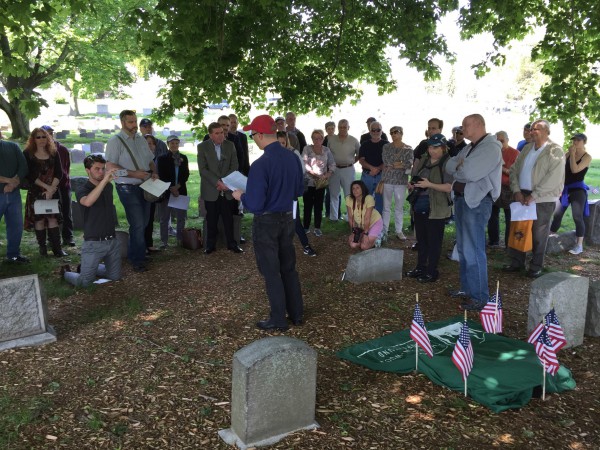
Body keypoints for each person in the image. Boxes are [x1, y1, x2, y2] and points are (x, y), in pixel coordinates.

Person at [232, 115, 304, 332]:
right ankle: (297, 314)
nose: (253, 138)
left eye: (252, 134)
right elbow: (299, 190)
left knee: (271, 271)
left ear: (261, 135)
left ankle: (278, 319)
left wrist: (240, 196)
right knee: (288, 268)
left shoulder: (261, 164)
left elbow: (255, 203)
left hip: (267, 221)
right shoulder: (292, 158)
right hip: (287, 217)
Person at [445, 114, 502, 310]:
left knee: (473, 250)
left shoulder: (491, 148)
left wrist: (461, 167)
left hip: (476, 203)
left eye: (465, 125)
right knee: (462, 248)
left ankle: (479, 297)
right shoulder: (470, 147)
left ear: (477, 125)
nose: (462, 128)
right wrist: (460, 166)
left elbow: (468, 173)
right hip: (462, 200)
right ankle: (467, 289)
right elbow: (449, 165)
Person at [504, 119, 565, 278]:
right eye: (531, 129)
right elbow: (514, 170)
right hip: (521, 195)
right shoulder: (526, 148)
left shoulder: (555, 151)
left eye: (536, 129)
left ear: (547, 132)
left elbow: (554, 178)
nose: (531, 132)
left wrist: (534, 195)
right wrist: (516, 190)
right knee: (518, 229)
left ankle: (536, 266)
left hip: (542, 198)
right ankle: (517, 262)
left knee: (539, 234)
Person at [106, 109, 159, 273]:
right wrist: (133, 173)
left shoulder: (141, 139)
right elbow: (110, 166)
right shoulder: (115, 141)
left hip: (145, 184)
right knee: (137, 223)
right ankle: (137, 259)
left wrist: (154, 172)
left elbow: (150, 160)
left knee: (143, 222)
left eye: (135, 121)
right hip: (127, 186)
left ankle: (135, 252)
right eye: (130, 122)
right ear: (122, 123)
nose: (134, 125)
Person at [63, 155, 121, 286]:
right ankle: (65, 273)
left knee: (115, 277)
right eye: (97, 169)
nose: (101, 172)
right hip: (94, 242)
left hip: (112, 240)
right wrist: (104, 181)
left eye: (103, 169)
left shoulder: (108, 187)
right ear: (87, 170)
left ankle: (86, 266)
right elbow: (87, 202)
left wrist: (105, 182)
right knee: (85, 282)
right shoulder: (82, 189)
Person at [404, 134, 453, 283]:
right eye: (431, 147)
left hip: (437, 208)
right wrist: (413, 184)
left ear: (443, 148)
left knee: (434, 241)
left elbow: (450, 187)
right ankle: (420, 267)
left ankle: (432, 271)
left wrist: (429, 185)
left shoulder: (448, 163)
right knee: (422, 239)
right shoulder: (424, 160)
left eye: (436, 147)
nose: (432, 150)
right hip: (420, 203)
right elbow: (417, 177)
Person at [197, 122, 243, 254]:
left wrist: (225, 182)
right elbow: (203, 170)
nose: (220, 135)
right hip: (211, 189)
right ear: (210, 135)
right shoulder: (202, 147)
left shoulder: (230, 145)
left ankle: (232, 244)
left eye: (222, 132)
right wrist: (217, 182)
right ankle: (210, 245)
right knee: (211, 219)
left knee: (229, 218)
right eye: (217, 133)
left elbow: (234, 165)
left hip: (227, 189)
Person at [23, 128, 68, 257]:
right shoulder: (27, 154)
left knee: (53, 219)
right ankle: (43, 250)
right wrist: (46, 188)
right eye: (38, 137)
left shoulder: (54, 152)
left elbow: (60, 173)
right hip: (36, 192)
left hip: (53, 191)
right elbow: (30, 175)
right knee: (40, 220)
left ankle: (57, 249)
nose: (41, 139)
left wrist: (51, 189)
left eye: (44, 137)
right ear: (33, 139)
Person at [550, 133, 592, 255]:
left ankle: (579, 245)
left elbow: (575, 170)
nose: (575, 142)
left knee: (577, 217)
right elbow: (559, 166)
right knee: (557, 214)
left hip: (578, 190)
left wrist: (572, 154)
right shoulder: (569, 154)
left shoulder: (587, 157)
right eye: (574, 139)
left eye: (578, 140)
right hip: (565, 189)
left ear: (584, 142)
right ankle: (550, 237)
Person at [276, 131, 316, 257]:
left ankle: (305, 245)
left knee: (295, 220)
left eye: (283, 143)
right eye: (278, 143)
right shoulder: (272, 155)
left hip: (290, 194)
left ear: (287, 142)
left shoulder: (293, 153)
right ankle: (278, 248)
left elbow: (301, 171)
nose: (281, 145)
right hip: (277, 195)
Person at [41, 125, 75, 247]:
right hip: (46, 187)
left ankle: (68, 236)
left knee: (66, 212)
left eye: (51, 133)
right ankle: (52, 239)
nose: (49, 136)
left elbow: (66, 168)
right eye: (45, 134)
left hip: (63, 185)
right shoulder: (40, 150)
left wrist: (63, 182)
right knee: (49, 213)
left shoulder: (63, 149)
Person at [0, 132, 29, 264]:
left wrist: (12, 184)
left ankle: (13, 255)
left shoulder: (13, 146)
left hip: (13, 194)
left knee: (16, 226)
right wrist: (9, 181)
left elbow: (23, 167)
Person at [487, 131, 519, 248]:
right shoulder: (493, 152)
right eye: (497, 141)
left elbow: (515, 173)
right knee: (492, 215)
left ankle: (508, 244)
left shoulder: (515, 153)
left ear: (507, 140)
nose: (500, 143)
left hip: (508, 188)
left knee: (509, 217)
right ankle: (493, 240)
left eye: (502, 141)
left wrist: (502, 168)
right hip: (494, 187)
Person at [381, 126, 413, 240]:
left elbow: (409, 163)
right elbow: (386, 161)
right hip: (388, 180)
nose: (393, 134)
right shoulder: (386, 147)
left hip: (401, 181)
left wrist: (397, 164)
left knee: (399, 207)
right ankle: (384, 230)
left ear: (401, 133)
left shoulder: (408, 149)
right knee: (386, 207)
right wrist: (400, 163)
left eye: (396, 132)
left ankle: (399, 231)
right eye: (391, 133)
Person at [157, 135, 190, 248]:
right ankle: (164, 242)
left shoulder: (184, 158)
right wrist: (172, 188)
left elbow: (186, 174)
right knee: (164, 218)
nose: (174, 145)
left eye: (176, 143)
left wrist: (178, 187)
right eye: (172, 143)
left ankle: (180, 240)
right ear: (168, 144)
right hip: (167, 191)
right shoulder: (162, 158)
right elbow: (162, 175)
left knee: (181, 217)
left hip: (181, 190)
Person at [302, 129, 336, 236]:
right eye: (315, 138)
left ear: (322, 139)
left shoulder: (326, 150)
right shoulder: (307, 149)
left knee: (318, 205)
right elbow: (304, 164)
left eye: (319, 138)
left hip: (321, 183)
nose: (317, 140)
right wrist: (314, 174)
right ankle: (306, 227)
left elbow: (332, 164)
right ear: (312, 139)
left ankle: (317, 227)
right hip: (309, 182)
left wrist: (327, 174)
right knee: (307, 205)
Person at [327, 119, 360, 221]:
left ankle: (349, 217)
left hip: (348, 169)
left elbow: (359, 155)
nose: (342, 129)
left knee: (349, 194)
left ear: (348, 128)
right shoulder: (331, 139)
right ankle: (333, 217)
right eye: (340, 127)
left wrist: (350, 162)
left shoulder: (354, 140)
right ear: (338, 128)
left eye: (344, 127)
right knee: (334, 193)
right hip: (334, 169)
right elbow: (327, 154)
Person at [358, 120, 387, 214]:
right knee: (365, 200)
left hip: (381, 176)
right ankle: (364, 222)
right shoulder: (364, 144)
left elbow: (388, 161)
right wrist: (371, 168)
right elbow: (361, 160)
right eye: (373, 130)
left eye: (378, 130)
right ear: (370, 131)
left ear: (381, 131)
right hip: (367, 176)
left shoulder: (386, 145)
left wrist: (377, 169)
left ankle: (378, 224)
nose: (375, 132)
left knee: (380, 201)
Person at [346, 180, 383, 250]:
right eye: (353, 188)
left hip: (374, 223)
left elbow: (367, 218)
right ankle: (365, 237)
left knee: (364, 246)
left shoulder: (369, 198)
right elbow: (351, 218)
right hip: (362, 225)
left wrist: (366, 234)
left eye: (357, 188)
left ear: (362, 189)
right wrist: (353, 232)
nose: (355, 190)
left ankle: (379, 236)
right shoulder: (349, 199)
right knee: (353, 245)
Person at [143, 134, 160, 253]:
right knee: (142, 218)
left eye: (152, 143)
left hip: (151, 189)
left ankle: (149, 243)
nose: (150, 146)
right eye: (147, 143)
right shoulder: (141, 158)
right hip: (142, 189)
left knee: (150, 216)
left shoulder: (154, 158)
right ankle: (142, 245)